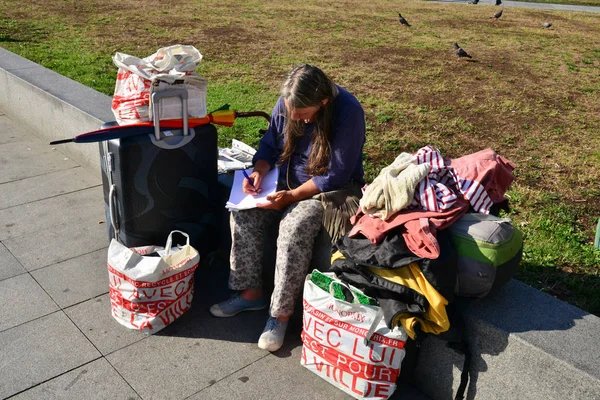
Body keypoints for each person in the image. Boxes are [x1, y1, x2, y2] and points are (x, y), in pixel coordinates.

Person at [210, 64, 366, 352]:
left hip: (325, 193)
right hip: (284, 182)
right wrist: (258, 172)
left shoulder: (349, 112)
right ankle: (251, 292)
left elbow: (336, 175)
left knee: (294, 228)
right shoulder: (288, 102)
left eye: (304, 116)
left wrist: (291, 197)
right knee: (244, 212)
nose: (297, 120)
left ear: (323, 103)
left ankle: (279, 316)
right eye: (292, 112)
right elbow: (270, 144)